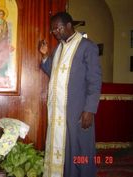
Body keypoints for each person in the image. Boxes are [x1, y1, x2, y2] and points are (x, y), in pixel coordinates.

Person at [38, 12, 102, 177]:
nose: (55, 33)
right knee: (63, 150)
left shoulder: (87, 46)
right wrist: (45, 55)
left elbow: (95, 80)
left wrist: (90, 109)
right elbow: (53, 71)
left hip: (77, 110)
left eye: (57, 29)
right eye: (53, 31)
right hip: (58, 110)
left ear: (68, 25)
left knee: (79, 149)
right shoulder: (58, 48)